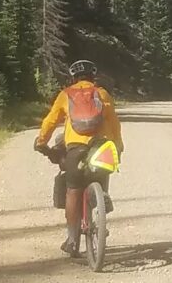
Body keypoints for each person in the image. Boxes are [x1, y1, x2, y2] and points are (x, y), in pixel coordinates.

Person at [34, 60, 124, 256]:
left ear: (73, 78)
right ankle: (102, 202)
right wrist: (118, 146)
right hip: (100, 146)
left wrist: (41, 141)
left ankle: (72, 240)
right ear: (93, 77)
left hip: (75, 148)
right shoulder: (102, 94)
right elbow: (114, 123)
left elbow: (51, 120)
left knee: (73, 190)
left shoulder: (66, 95)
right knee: (102, 170)